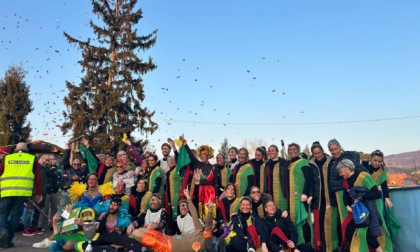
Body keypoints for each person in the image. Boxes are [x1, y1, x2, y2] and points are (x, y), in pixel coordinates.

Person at [131, 187, 214, 252]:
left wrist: (210, 211)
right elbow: (195, 214)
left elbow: (208, 224)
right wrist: (188, 197)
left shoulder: (203, 242)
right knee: (140, 230)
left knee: (136, 233)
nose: (183, 207)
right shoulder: (199, 229)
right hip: (166, 238)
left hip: (166, 247)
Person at [337, 159, 391, 252]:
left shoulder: (363, 176)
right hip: (356, 211)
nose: (340, 174)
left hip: (368, 210)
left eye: (341, 172)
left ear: (347, 169)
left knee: (367, 233)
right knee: (348, 230)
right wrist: (347, 206)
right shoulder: (346, 181)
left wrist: (361, 196)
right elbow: (345, 196)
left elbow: (376, 194)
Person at [0, 142, 43, 249]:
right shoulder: (32, 159)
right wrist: (39, 193)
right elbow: (38, 178)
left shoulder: (8, 158)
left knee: (2, 213)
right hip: (22, 193)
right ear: (26, 150)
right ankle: (8, 241)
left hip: (6, 192)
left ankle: (3, 230)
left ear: (15, 149)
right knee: (15, 216)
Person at [308, 141, 339, 252]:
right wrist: (311, 195)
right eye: (315, 153)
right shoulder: (311, 164)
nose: (318, 155)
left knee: (331, 223)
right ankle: (320, 246)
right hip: (318, 199)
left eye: (319, 152)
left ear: (322, 151)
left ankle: (332, 246)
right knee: (319, 223)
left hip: (330, 197)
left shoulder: (331, 162)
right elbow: (310, 182)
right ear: (313, 154)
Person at [327, 139, 366, 225]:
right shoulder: (332, 161)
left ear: (340, 147)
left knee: (347, 218)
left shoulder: (348, 158)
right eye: (331, 150)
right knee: (342, 219)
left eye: (336, 149)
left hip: (346, 191)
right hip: (337, 193)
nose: (334, 152)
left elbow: (356, 172)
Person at [183, 135, 219, 218]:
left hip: (210, 194)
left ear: (209, 155)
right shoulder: (197, 164)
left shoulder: (214, 168)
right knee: (198, 215)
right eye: (201, 154)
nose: (202, 156)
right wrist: (185, 144)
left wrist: (217, 198)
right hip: (198, 193)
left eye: (204, 154)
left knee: (209, 215)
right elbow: (191, 155)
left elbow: (215, 184)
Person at [287, 143, 313, 246]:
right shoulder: (290, 164)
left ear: (298, 150)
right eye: (290, 149)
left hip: (301, 197)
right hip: (293, 197)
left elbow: (309, 179)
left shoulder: (303, 162)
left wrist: (305, 193)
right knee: (295, 220)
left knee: (303, 220)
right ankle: (298, 243)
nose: (292, 151)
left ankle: (307, 244)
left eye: (294, 149)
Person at [261, 145, 288, 211]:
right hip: (269, 192)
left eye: (273, 150)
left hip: (281, 192)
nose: (271, 152)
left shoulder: (284, 163)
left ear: (277, 152)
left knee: (281, 211)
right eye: (269, 151)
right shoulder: (267, 164)